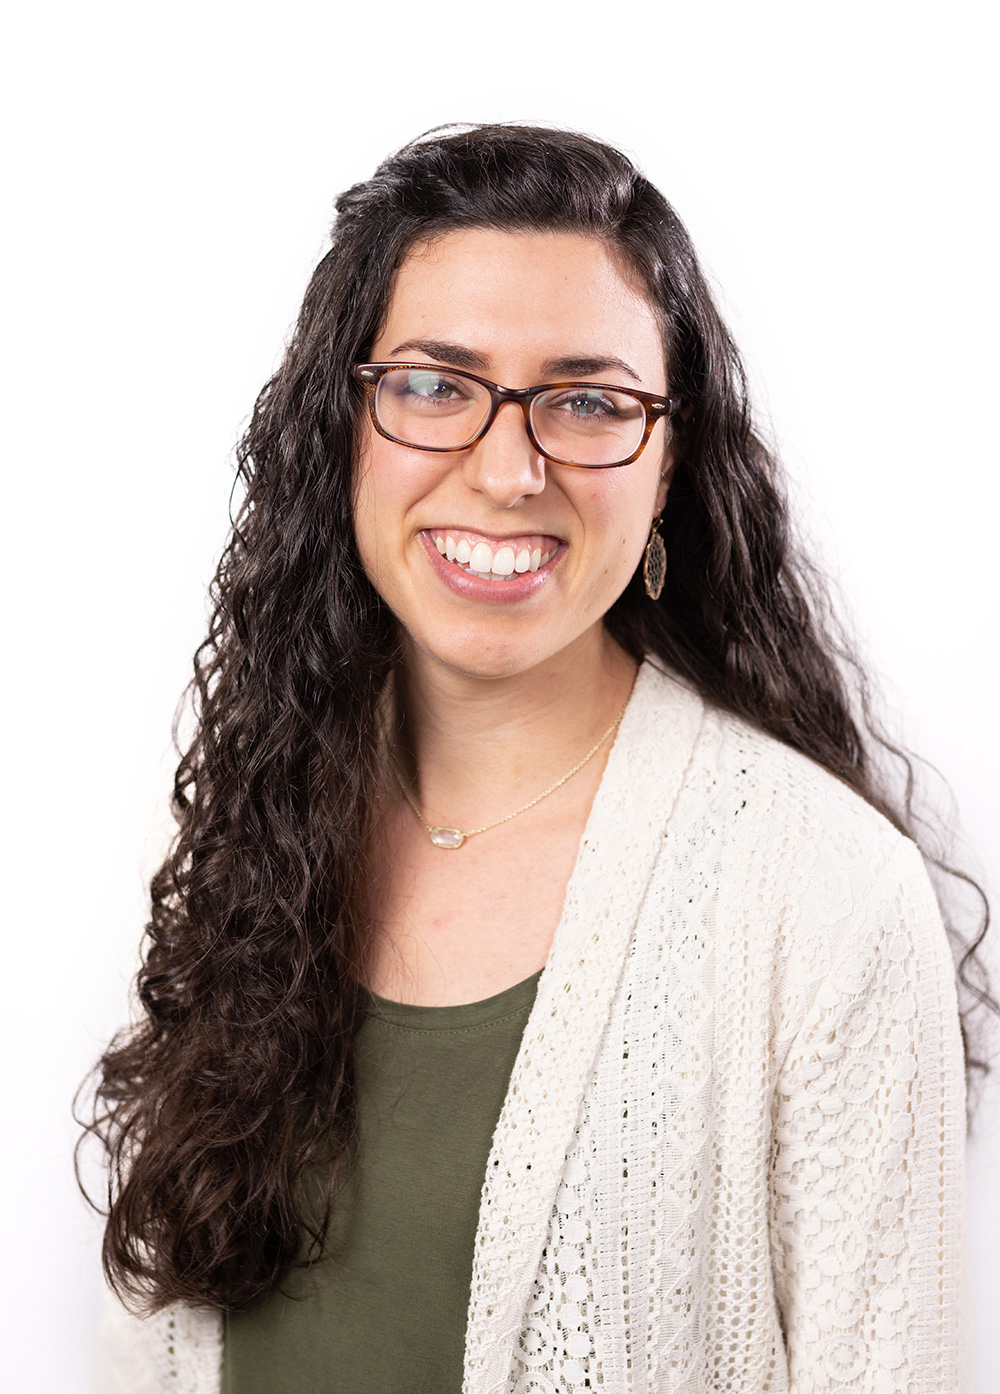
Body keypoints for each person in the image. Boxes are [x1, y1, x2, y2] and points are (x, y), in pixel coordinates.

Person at [85, 124, 988, 1393]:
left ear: (670, 457)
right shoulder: (233, 828)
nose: (509, 471)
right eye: (436, 384)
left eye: (586, 401)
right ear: (339, 425)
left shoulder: (821, 891)